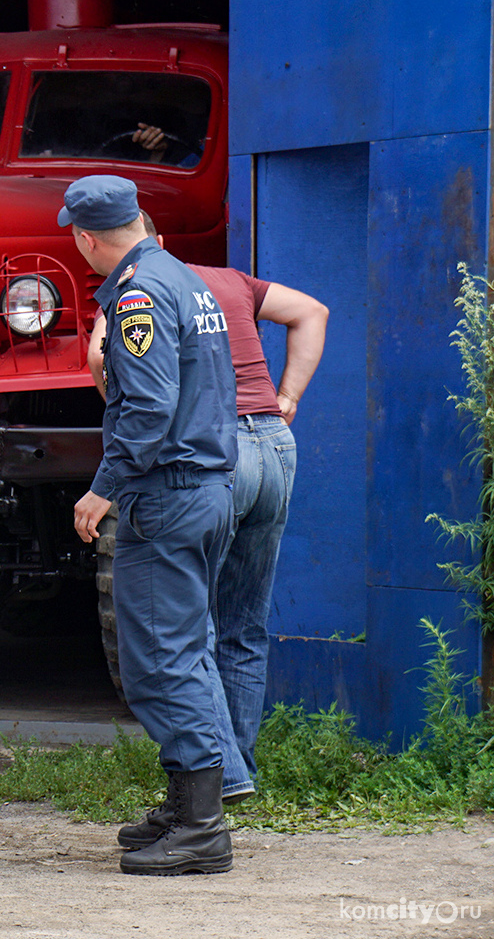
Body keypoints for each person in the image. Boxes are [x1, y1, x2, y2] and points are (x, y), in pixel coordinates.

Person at [89, 236, 329, 821]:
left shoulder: (140, 287)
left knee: (188, 626)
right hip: (275, 445)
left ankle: (220, 775)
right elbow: (312, 312)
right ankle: (235, 767)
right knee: (244, 625)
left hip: (216, 456)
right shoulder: (232, 281)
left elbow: (102, 359)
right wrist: (287, 395)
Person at [62, 174, 238, 876]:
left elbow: (149, 407)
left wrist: (101, 489)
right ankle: (185, 804)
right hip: (204, 489)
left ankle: (201, 827)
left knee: (159, 663)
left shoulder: (137, 294)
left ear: (85, 237)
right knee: (185, 652)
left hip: (166, 496)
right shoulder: (185, 279)